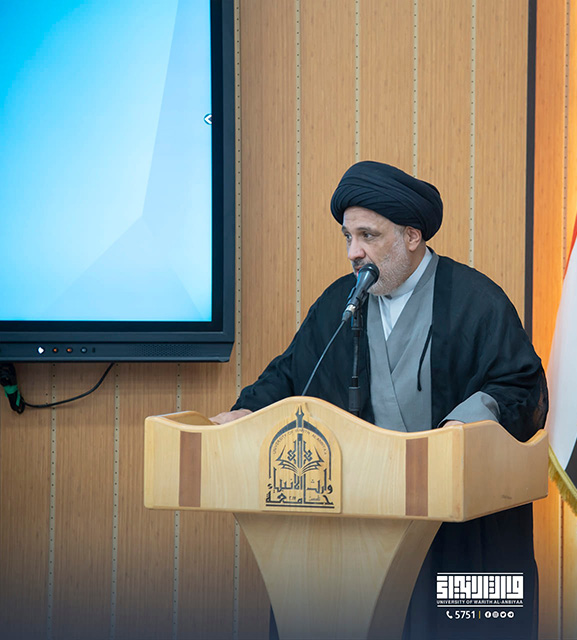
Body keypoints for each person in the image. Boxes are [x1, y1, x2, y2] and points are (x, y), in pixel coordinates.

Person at [211, 161, 547, 639]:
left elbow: (520, 386)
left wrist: (465, 428)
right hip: (360, 522)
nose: (354, 252)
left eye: (368, 236)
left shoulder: (476, 301)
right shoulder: (340, 304)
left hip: (454, 528)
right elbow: (292, 373)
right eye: (348, 237)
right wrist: (247, 412)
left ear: (412, 236)